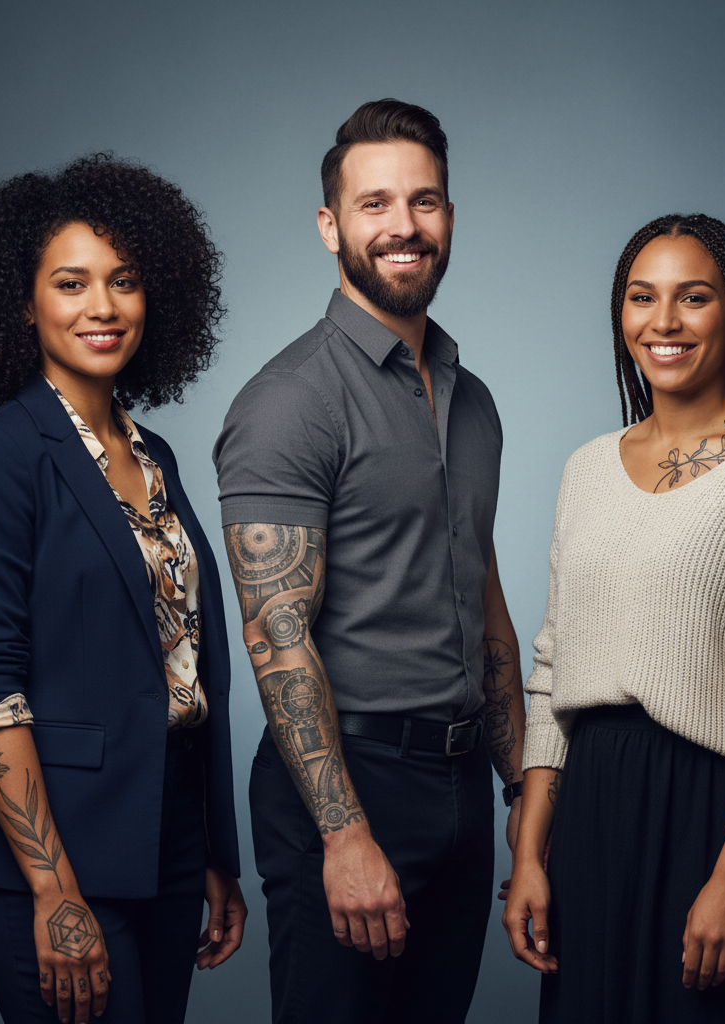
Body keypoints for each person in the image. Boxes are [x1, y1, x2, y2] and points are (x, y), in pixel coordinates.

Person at [215, 99, 526, 1024]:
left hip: (463, 786)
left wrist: (520, 785)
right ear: (331, 226)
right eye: (375, 203)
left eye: (424, 202)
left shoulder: (473, 401)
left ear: (450, 219)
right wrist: (343, 835)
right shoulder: (290, 401)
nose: (403, 226)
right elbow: (277, 638)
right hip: (348, 783)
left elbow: (482, 597)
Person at [502, 213, 725, 1023]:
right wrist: (529, 853)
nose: (663, 322)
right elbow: (554, 669)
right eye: (641, 297)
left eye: (693, 297)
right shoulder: (587, 469)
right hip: (592, 817)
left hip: (719, 815)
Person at [0, 153, 245, 1024]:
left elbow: (180, 664)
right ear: (22, 303)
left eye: (124, 281)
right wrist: (54, 890)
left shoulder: (155, 457)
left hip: (167, 839)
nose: (102, 306)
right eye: (71, 283)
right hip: (53, 856)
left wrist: (212, 849)